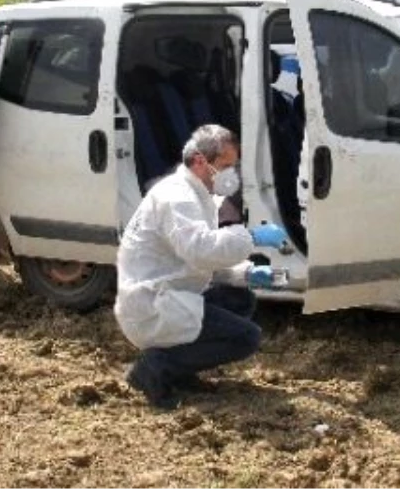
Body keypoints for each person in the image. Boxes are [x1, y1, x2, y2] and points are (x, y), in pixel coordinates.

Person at [114, 124, 290, 410]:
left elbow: (196, 263)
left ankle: (181, 370)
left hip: (169, 292)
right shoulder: (177, 197)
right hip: (151, 304)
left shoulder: (196, 194)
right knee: (246, 338)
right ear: (199, 161)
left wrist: (247, 273)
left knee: (240, 298)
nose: (230, 174)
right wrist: (253, 237)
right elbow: (201, 249)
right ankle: (155, 368)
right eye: (225, 166)